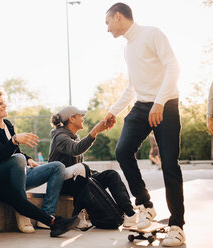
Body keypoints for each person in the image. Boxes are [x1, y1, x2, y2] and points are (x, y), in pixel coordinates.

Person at [104, 3, 185, 246]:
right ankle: (145, 204)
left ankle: (177, 226)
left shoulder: (152, 33)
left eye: (108, 22)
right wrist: (112, 111)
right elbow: (132, 86)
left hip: (166, 103)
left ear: (118, 16)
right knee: (122, 150)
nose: (107, 29)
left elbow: (173, 67)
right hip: (141, 106)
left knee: (170, 164)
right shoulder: (127, 47)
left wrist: (160, 103)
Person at [0, 89, 78, 237]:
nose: (5, 105)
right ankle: (22, 211)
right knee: (18, 159)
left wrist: (28, 157)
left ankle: (47, 216)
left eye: (5, 102)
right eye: (0, 104)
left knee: (57, 166)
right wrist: (15, 141)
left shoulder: (7, 124)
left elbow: (15, 150)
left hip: (18, 174)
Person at [48, 106, 137, 228]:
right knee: (82, 168)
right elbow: (76, 149)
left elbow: (79, 164)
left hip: (77, 177)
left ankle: (130, 214)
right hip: (63, 183)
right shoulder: (59, 137)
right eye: (80, 116)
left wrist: (96, 175)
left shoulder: (74, 137)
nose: (83, 119)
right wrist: (94, 132)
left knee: (111, 175)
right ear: (71, 119)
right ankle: (77, 216)